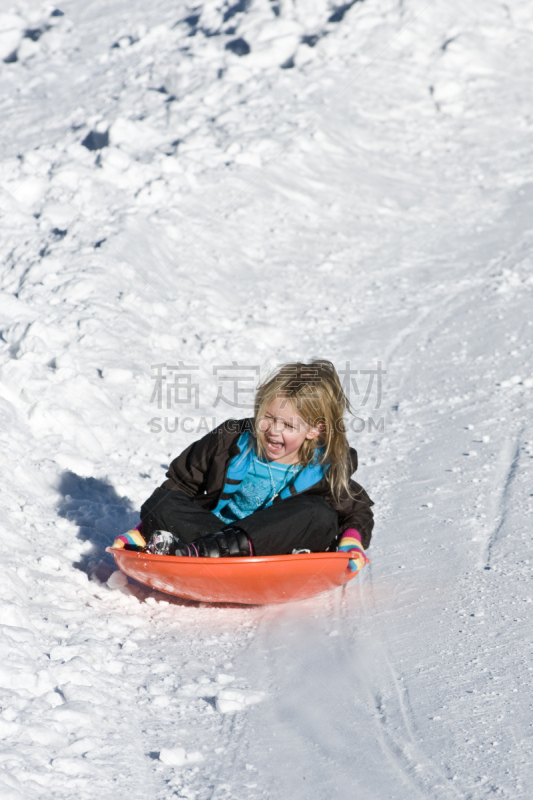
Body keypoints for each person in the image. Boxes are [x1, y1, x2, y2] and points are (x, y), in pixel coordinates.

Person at [113, 360, 374, 574]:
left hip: (275, 554)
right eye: (268, 418)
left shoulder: (323, 467)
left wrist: (351, 542)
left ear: (315, 430)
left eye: (288, 426)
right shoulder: (230, 440)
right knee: (162, 501)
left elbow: (357, 512)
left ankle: (197, 554)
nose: (273, 431)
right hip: (210, 534)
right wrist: (144, 530)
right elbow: (180, 484)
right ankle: (203, 553)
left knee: (318, 513)